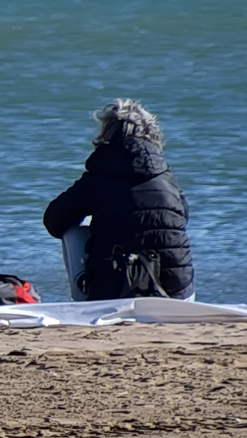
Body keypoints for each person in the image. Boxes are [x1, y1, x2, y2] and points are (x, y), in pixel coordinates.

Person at [43, 99, 195, 301]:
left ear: (108, 133)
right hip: (176, 295)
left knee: (71, 229)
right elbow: (184, 217)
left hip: (113, 292)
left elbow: (54, 221)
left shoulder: (99, 176)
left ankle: (83, 301)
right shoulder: (166, 177)